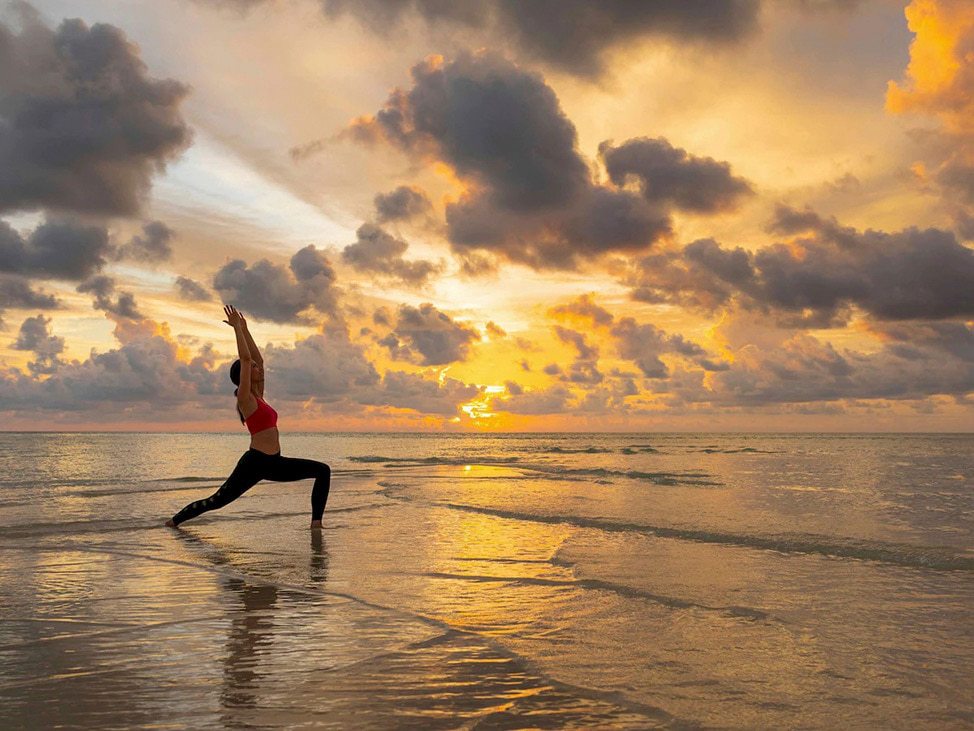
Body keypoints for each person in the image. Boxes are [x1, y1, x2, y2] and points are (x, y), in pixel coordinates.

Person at [166, 305, 331, 530]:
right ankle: (174, 521)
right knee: (216, 501)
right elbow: (245, 359)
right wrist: (236, 330)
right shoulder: (245, 399)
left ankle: (316, 524)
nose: (257, 369)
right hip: (254, 463)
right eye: (252, 368)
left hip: (275, 462)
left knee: (323, 470)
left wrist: (245, 328)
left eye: (255, 367)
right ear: (242, 376)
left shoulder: (259, 396)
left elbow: (257, 360)